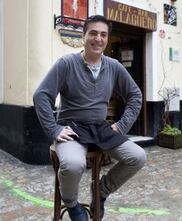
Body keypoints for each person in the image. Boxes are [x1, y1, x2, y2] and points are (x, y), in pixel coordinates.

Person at [33, 15, 146, 221]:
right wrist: (54, 129)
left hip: (100, 128)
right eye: (93, 33)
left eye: (103, 34)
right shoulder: (67, 63)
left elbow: (135, 95)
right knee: (73, 165)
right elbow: (41, 95)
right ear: (83, 36)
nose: (98, 39)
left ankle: (101, 191)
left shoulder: (113, 66)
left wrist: (121, 126)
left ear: (107, 38)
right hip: (72, 128)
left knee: (137, 157)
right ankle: (72, 204)